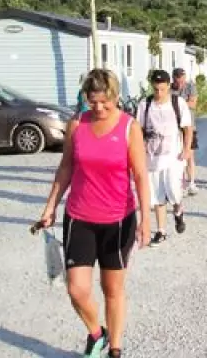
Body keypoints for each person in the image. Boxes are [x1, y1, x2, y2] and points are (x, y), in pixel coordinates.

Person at [37, 69, 151, 358]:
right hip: (80, 218)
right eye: (93, 101)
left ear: (115, 97)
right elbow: (66, 167)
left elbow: (140, 175)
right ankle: (97, 334)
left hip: (118, 220)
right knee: (76, 289)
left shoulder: (129, 127)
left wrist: (146, 220)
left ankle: (115, 349)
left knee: (112, 289)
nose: (98, 108)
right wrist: (50, 207)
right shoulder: (77, 124)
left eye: (104, 102)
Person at [137, 70, 192, 244]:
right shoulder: (145, 105)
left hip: (174, 157)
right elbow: (138, 131)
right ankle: (161, 231)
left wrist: (187, 149)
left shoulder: (177, 103)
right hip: (152, 158)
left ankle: (178, 210)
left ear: (168, 86)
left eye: (162, 89)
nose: (159, 93)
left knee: (174, 191)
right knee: (157, 195)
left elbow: (187, 128)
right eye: (156, 89)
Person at [171, 69, 199, 196]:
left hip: (189, 126)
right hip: (175, 127)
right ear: (173, 79)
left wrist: (177, 103)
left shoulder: (190, 87)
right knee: (178, 156)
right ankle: (180, 183)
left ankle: (191, 182)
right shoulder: (170, 89)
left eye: (182, 81)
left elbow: (193, 103)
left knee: (190, 155)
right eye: (178, 82)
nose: (180, 84)